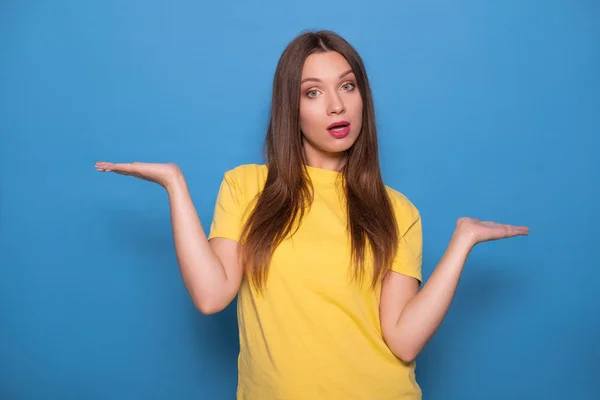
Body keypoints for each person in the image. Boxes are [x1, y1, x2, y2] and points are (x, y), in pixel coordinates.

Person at [95, 30, 528, 400]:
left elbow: (403, 339)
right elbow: (211, 296)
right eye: (313, 92)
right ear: (292, 107)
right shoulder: (248, 187)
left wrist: (461, 243)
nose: (336, 106)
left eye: (348, 86)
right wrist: (175, 184)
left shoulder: (396, 211)